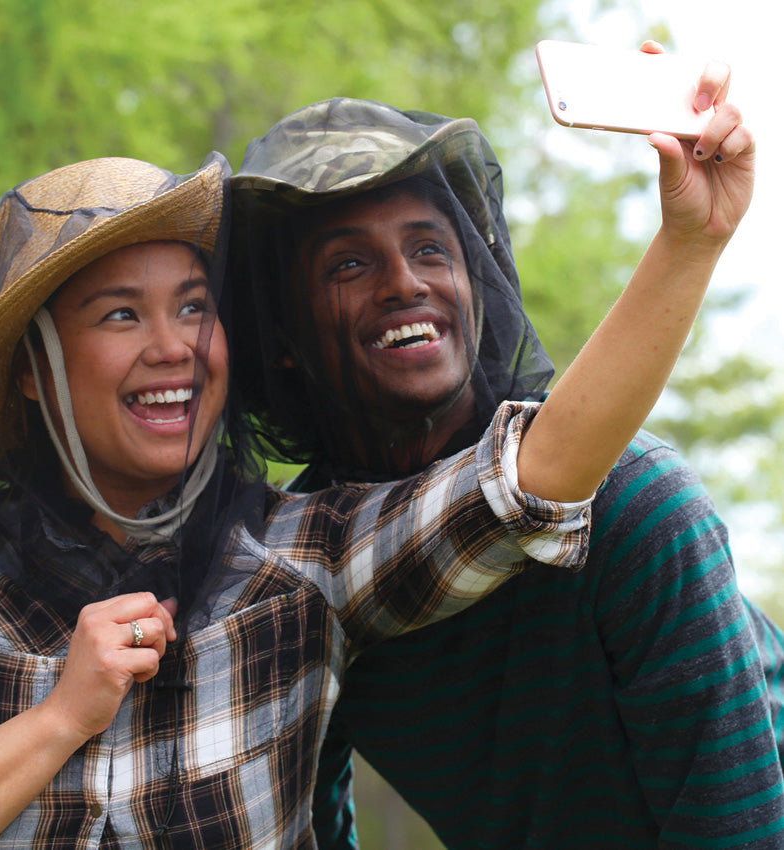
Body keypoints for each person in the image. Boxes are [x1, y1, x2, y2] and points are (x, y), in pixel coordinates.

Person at [0, 146, 695, 847]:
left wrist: (690, 242)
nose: (173, 348)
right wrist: (61, 718)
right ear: (33, 370)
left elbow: (533, 477)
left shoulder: (304, 557)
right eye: (121, 314)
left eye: (195, 307)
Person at [230, 57, 784, 849]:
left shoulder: (635, 507)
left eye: (429, 249)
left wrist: (691, 241)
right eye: (349, 264)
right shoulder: (296, 575)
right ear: (282, 340)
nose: (404, 282)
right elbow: (300, 822)